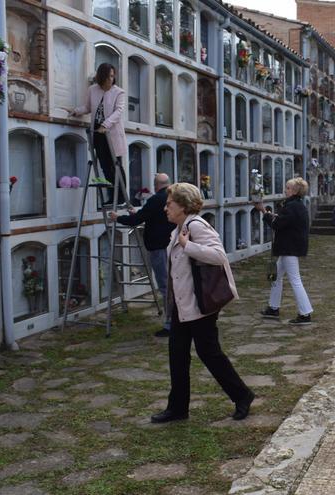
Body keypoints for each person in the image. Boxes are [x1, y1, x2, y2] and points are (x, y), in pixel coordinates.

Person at [151, 183, 254, 423]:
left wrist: (189, 246)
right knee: (177, 356)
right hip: (182, 305)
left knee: (209, 353)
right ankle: (177, 408)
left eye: (169, 204)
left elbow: (219, 255)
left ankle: (242, 395)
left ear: (183, 205)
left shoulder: (196, 225)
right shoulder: (179, 228)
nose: (165, 208)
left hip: (199, 305)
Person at [109, 173, 176, 337]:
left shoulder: (155, 199)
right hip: (168, 245)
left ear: (155, 185)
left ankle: (171, 325)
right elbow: (150, 216)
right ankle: (175, 321)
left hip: (158, 248)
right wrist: (137, 212)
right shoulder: (171, 197)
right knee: (169, 285)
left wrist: (117, 218)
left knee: (165, 286)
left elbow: (136, 221)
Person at [256, 178, 314, 325]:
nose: (285, 190)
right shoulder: (295, 205)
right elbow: (284, 221)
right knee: (275, 277)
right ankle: (273, 307)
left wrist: (264, 211)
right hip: (289, 247)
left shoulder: (292, 206)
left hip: (289, 248)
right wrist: (270, 214)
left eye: (288, 188)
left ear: (295, 191)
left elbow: (278, 224)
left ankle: (305, 313)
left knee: (295, 280)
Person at [69, 63, 127, 206]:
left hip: (111, 133)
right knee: (105, 166)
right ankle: (110, 196)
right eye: (108, 76)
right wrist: (76, 111)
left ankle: (121, 198)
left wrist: (105, 124)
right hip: (98, 133)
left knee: (116, 164)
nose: (111, 80)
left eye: (113, 76)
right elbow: (88, 107)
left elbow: (118, 112)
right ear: (101, 77)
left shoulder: (119, 92)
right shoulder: (93, 90)